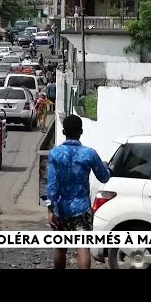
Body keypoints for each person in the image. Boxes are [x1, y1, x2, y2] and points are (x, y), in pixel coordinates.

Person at [46, 115, 111, 269]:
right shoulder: (89, 153)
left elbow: (52, 186)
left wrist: (50, 209)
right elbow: (104, 177)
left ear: (63, 131)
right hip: (82, 209)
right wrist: (107, 167)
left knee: (60, 248)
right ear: (81, 131)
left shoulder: (55, 153)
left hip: (61, 209)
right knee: (83, 248)